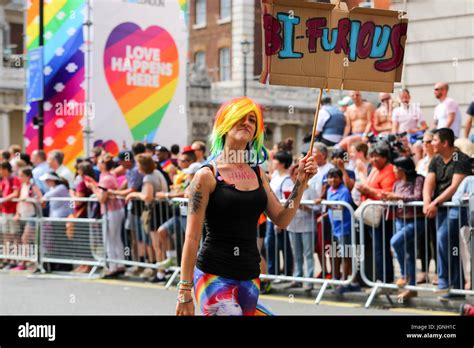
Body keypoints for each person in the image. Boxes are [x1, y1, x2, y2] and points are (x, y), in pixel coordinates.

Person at [176, 97, 317, 316]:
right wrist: (184, 290)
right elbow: (192, 237)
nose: (247, 123)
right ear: (225, 123)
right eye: (240, 117)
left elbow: (281, 218)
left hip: (250, 277)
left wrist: (301, 182)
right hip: (214, 275)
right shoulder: (207, 175)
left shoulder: (258, 173)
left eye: (252, 120)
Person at [423, 128, 471, 301]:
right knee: (448, 245)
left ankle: (444, 282)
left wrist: (435, 202)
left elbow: (455, 187)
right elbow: (429, 182)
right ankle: (456, 288)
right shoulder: (435, 160)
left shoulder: (461, 159)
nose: (430, 143)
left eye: (433, 140)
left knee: (443, 238)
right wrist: (427, 201)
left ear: (445, 143)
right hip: (441, 207)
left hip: (457, 207)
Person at [383, 157, 424, 299]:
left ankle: (404, 274)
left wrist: (397, 197)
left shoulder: (418, 180)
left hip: (415, 221)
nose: (393, 170)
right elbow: (397, 200)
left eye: (395, 168)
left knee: (395, 242)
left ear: (402, 169)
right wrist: (388, 198)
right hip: (399, 221)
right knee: (409, 254)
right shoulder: (396, 184)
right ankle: (412, 288)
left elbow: (418, 197)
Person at [356, 144, 396, 284]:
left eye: (376, 157)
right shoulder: (374, 170)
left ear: (385, 158)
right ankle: (379, 277)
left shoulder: (389, 170)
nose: (373, 160)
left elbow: (387, 194)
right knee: (376, 248)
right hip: (372, 215)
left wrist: (369, 192)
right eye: (371, 157)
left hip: (383, 217)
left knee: (381, 249)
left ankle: (385, 279)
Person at [125, 154, 169, 282]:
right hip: (162, 210)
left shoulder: (148, 178)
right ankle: (163, 269)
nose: (137, 167)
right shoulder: (157, 173)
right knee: (161, 244)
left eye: (138, 164)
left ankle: (161, 272)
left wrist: (135, 194)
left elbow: (148, 197)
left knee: (157, 244)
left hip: (155, 212)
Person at [86, 154, 126, 278]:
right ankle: (119, 264)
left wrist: (93, 187)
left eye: (99, 162)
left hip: (111, 211)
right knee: (116, 239)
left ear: (103, 165)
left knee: (109, 239)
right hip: (115, 210)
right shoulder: (109, 176)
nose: (97, 163)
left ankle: (113, 267)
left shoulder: (106, 179)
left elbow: (102, 198)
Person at [110, 150, 147, 278]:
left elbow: (132, 189)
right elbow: (126, 184)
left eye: (120, 161)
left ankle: (144, 264)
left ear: (126, 160)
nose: (119, 164)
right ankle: (138, 264)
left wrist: (114, 194)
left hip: (139, 208)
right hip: (132, 208)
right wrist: (117, 191)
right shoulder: (129, 170)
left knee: (141, 238)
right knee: (133, 236)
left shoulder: (136, 170)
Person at [324, 168, 359, 293]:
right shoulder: (329, 190)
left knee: (346, 254)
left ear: (340, 179)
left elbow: (341, 208)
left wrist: (328, 205)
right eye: (330, 177)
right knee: (335, 254)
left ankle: (345, 282)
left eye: (335, 177)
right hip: (334, 228)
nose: (332, 180)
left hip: (344, 228)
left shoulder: (344, 191)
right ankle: (336, 279)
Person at [265, 150, 294, 279]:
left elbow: (288, 201)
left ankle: (286, 273)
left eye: (276, 159)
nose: (273, 161)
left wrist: (280, 220)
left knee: (283, 247)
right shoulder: (276, 175)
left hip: (279, 219)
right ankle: (273, 273)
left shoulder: (287, 181)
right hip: (270, 219)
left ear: (282, 163)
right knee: (270, 245)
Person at [286, 163, 315, 291]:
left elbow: (319, 207)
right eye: (295, 173)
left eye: (300, 173)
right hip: (293, 225)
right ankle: (297, 278)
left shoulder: (311, 190)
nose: (297, 175)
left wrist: (306, 207)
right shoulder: (289, 189)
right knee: (296, 254)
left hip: (307, 226)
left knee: (308, 253)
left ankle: (309, 280)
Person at [414, 131, 437, 285]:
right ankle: (424, 270)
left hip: (435, 203)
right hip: (421, 204)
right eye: (424, 141)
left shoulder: (438, 160)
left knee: (435, 240)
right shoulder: (421, 162)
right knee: (422, 239)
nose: (425, 144)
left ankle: (438, 272)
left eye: (428, 141)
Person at [309, 143, 334, 278]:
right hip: (310, 211)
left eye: (314, 152)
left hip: (324, 212)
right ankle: (323, 270)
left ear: (323, 155)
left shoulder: (329, 169)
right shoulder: (311, 168)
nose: (311, 155)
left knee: (327, 244)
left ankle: (333, 271)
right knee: (317, 245)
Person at [13, 167, 43, 271]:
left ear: (28, 176)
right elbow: (19, 201)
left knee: (26, 238)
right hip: (24, 216)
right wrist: (17, 213)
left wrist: (30, 199)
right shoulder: (23, 186)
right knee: (29, 239)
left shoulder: (33, 186)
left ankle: (27, 262)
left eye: (21, 176)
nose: (19, 178)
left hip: (32, 216)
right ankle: (29, 261)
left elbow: (40, 198)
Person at [70, 162, 95, 273]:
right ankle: (84, 264)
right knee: (85, 240)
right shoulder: (90, 180)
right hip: (87, 213)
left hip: (82, 214)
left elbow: (78, 202)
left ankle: (86, 265)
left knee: (82, 240)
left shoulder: (82, 183)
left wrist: (71, 193)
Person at [0, 161, 21, 270]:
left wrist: (3, 199)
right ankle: (6, 258)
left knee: (14, 236)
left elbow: (16, 193)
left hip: (13, 211)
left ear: (5, 169)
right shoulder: (4, 180)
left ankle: (15, 259)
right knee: (6, 236)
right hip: (4, 211)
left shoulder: (15, 179)